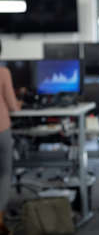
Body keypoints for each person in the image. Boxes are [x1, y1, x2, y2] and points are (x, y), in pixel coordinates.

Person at [0, 40, 22, 235]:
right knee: (5, 173)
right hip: (1, 129)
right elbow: (12, 105)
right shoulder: (3, 72)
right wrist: (18, 105)